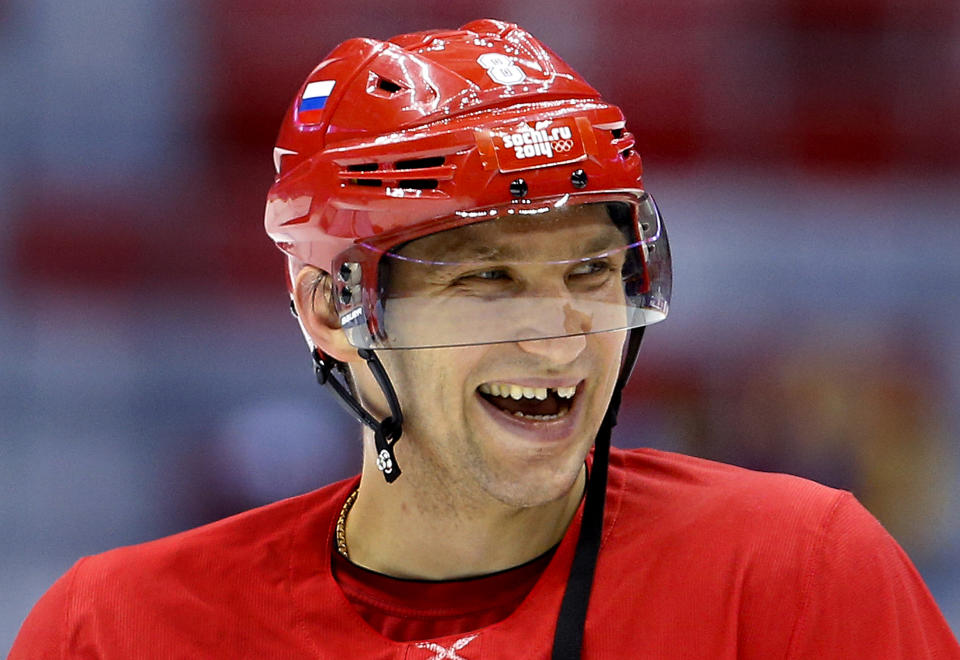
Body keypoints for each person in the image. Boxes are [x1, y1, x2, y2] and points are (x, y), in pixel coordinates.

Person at [10, 19, 959, 660]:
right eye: (486, 279)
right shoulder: (117, 631)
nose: (557, 340)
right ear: (334, 310)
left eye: (590, 272)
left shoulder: (795, 578)